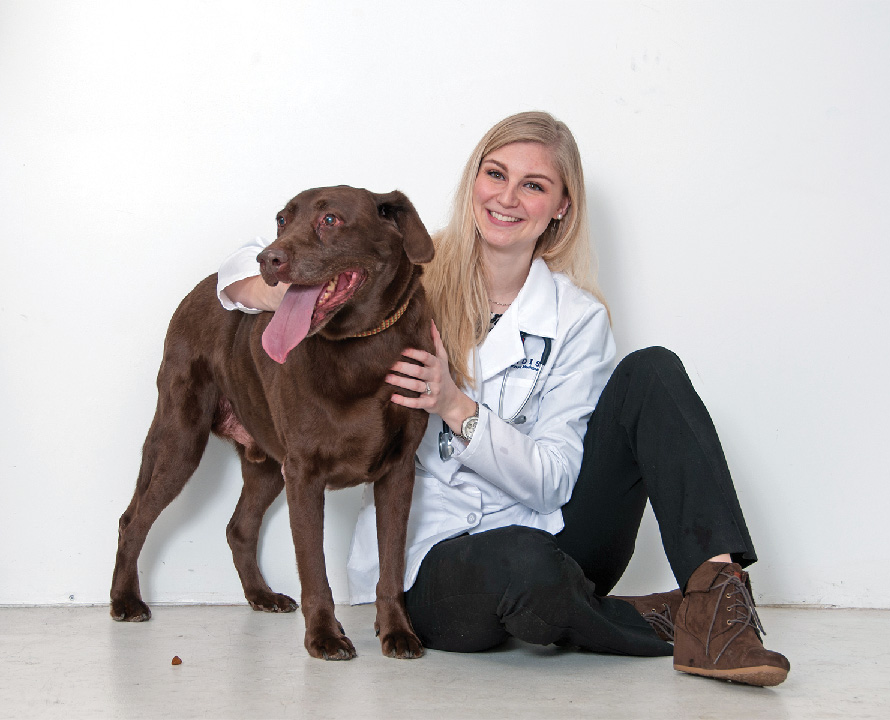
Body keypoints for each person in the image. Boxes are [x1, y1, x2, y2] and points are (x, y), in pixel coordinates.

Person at [217, 111, 790, 686]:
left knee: (654, 372)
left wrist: (454, 407)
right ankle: (643, 618)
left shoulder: (577, 319)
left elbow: (555, 482)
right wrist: (277, 297)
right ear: (474, 182)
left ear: (561, 206)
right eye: (496, 174)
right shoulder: (403, 274)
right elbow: (246, 262)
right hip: (439, 555)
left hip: (554, 529)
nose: (508, 198)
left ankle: (716, 605)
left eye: (534, 185)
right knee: (524, 568)